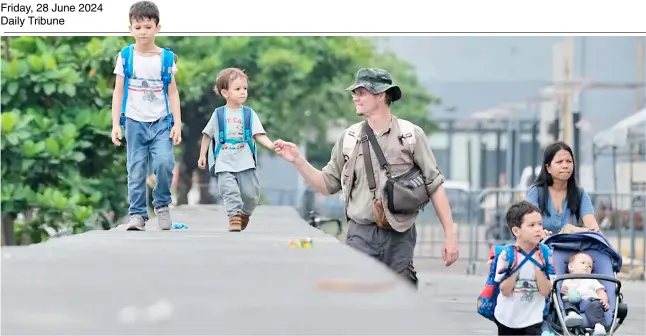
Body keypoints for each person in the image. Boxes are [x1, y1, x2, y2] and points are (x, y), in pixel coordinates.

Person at [273, 68, 460, 288]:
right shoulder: (349, 138)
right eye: (355, 92)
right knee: (358, 300)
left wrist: (450, 235)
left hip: (400, 235)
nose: (355, 97)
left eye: (362, 92)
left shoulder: (410, 135)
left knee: (400, 299)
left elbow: (434, 185)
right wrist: (297, 160)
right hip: (361, 234)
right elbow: (326, 185)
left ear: (381, 94)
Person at [111, 0, 182, 231]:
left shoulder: (166, 59)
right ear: (130, 28)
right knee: (136, 168)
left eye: (148, 27)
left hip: (161, 121)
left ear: (157, 28)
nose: (143, 32)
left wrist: (177, 123)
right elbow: (118, 90)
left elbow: (172, 92)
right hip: (134, 121)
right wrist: (115, 124)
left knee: (164, 162)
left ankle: (161, 204)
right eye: (138, 27)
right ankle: (137, 215)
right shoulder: (125, 56)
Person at [197, 68, 274, 232]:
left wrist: (271, 145)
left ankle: (244, 214)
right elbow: (207, 135)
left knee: (251, 195)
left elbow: (259, 134)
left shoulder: (249, 114)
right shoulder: (218, 114)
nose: (243, 92)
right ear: (225, 93)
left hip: (245, 162)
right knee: (229, 191)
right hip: (224, 162)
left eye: (245, 88)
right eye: (237, 89)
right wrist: (202, 155)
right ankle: (233, 217)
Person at [493, 201, 553, 335]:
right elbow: (505, 290)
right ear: (516, 231)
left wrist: (538, 268)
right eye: (532, 225)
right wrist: (515, 270)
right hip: (507, 319)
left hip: (533, 319)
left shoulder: (545, 254)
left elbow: (546, 291)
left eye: (540, 224)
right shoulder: (507, 255)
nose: (538, 229)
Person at [526, 141, 601, 237]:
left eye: (569, 161)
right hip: (543, 248)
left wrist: (572, 230)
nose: (565, 166)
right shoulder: (536, 192)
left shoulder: (580, 194)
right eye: (559, 162)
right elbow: (530, 225)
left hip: (572, 249)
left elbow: (593, 228)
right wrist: (541, 232)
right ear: (548, 167)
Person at [561, 252, 609, 335]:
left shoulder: (592, 280)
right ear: (571, 267)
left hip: (589, 301)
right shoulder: (567, 280)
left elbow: (600, 291)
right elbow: (565, 293)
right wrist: (565, 292)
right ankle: (572, 314)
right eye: (583, 263)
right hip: (575, 301)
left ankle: (599, 326)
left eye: (590, 266)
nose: (586, 266)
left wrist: (604, 299)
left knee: (596, 305)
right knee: (566, 300)